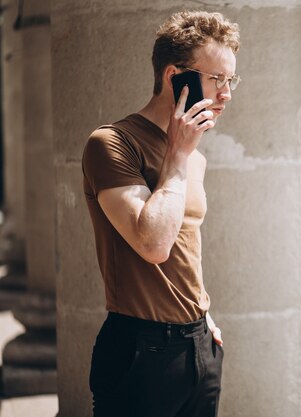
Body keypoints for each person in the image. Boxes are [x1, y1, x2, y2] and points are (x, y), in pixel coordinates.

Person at [81, 10, 241, 417]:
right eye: (216, 79)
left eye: (231, 80)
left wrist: (204, 317)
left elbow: (186, 246)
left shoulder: (193, 158)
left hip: (199, 347)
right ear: (175, 76)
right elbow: (153, 243)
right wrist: (178, 153)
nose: (226, 94)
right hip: (140, 351)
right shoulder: (113, 144)